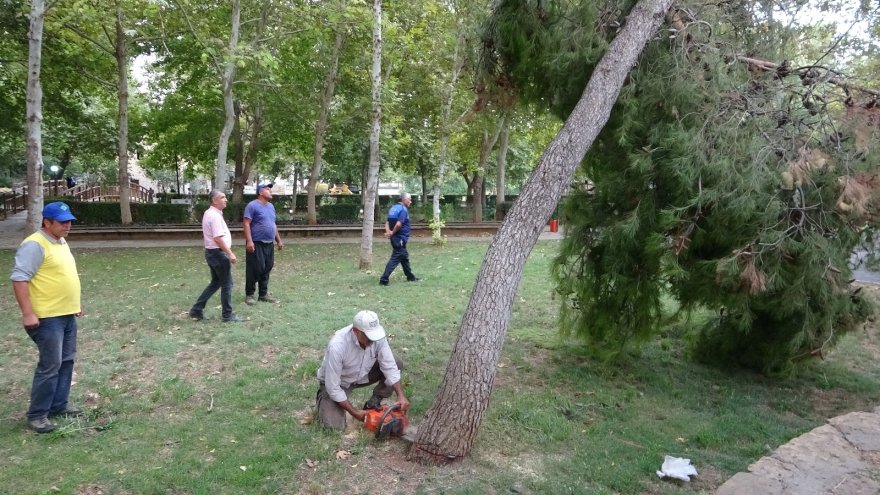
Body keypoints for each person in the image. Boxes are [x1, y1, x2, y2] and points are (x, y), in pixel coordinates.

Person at [11, 202, 83, 433]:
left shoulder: (60, 241)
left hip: (65, 313)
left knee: (66, 361)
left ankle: (58, 406)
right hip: (46, 318)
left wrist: (75, 304)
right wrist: (28, 313)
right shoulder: (34, 244)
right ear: (47, 222)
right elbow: (19, 279)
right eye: (62, 222)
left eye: (69, 221)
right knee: (50, 366)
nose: (67, 225)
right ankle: (37, 415)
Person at [315, 310, 409, 430]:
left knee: (396, 362)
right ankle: (323, 399)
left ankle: (374, 402)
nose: (372, 341)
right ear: (356, 331)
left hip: (363, 374)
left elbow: (390, 366)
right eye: (368, 337)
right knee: (333, 427)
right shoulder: (338, 345)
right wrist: (355, 413)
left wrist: (400, 395)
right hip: (339, 382)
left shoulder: (378, 338)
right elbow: (333, 388)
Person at [189, 190, 243, 323]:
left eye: (225, 197)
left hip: (212, 253)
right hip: (218, 254)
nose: (226, 200)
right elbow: (218, 238)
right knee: (227, 284)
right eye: (222, 197)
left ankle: (196, 309)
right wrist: (229, 253)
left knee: (216, 283)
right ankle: (227, 315)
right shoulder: (214, 216)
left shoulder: (211, 213)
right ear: (215, 200)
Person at [243, 182, 283, 305]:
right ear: (260, 192)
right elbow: (246, 223)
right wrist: (249, 241)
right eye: (267, 189)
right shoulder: (252, 205)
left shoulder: (271, 206)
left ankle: (263, 294)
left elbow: (273, 224)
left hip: (269, 243)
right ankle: (249, 294)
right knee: (255, 268)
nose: (270, 191)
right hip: (256, 242)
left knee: (267, 267)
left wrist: (279, 240)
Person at [379, 192, 419, 285]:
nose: (410, 201)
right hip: (399, 238)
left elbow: (387, 222)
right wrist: (392, 232)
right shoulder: (403, 209)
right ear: (404, 200)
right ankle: (384, 279)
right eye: (409, 199)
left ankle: (410, 277)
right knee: (396, 257)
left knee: (404, 257)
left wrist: (389, 232)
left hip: (396, 238)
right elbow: (399, 224)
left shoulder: (393, 208)